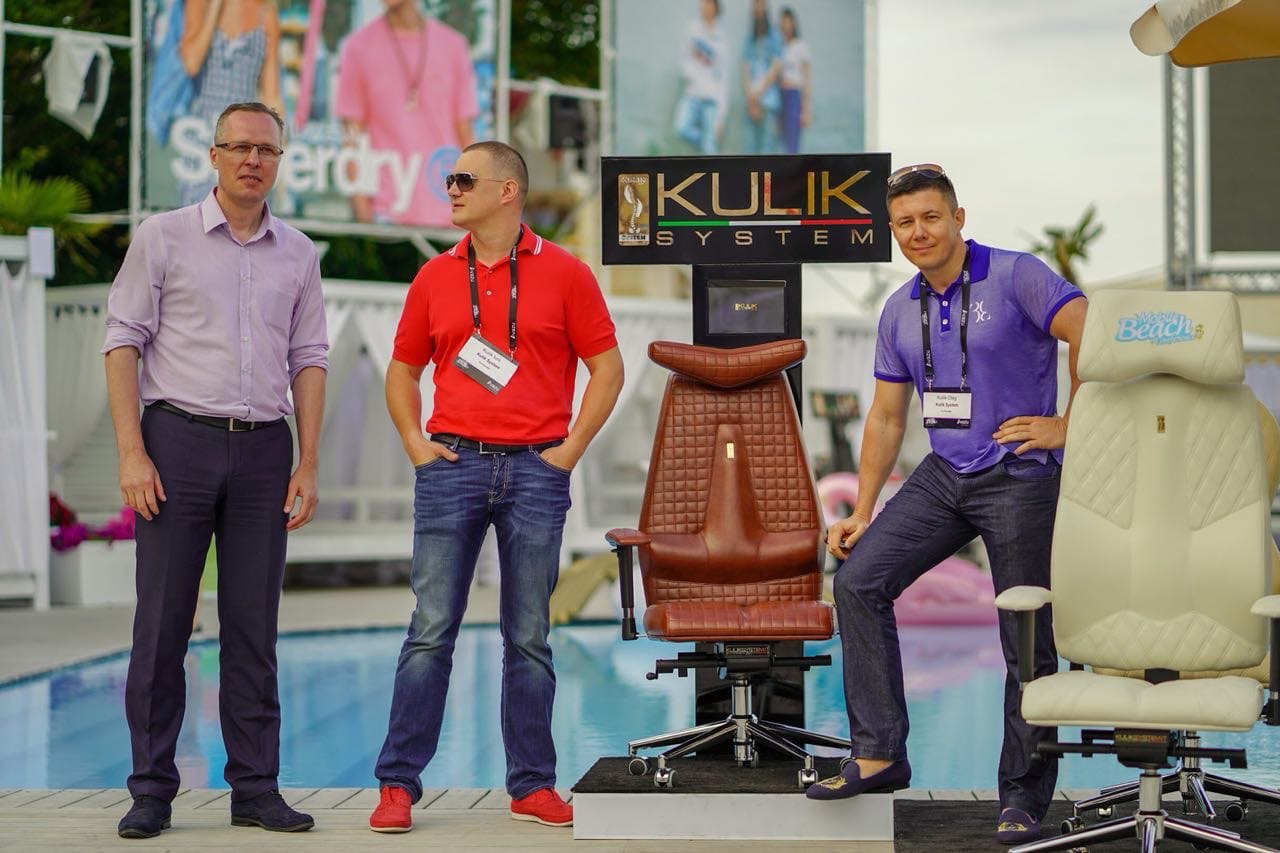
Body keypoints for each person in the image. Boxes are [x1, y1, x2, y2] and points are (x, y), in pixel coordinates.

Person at [805, 165, 1087, 847]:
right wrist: (863, 508)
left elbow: (1091, 330)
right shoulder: (899, 309)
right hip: (945, 472)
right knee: (859, 580)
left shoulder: (1015, 275)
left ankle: (1022, 794)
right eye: (904, 222)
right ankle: (880, 752)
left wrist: (1068, 425)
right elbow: (885, 416)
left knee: (1026, 634)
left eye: (930, 217)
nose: (918, 232)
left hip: (1019, 472)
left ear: (958, 218)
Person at [368, 141, 624, 834]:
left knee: (530, 635)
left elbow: (608, 369)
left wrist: (568, 452)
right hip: (451, 466)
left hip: (538, 470)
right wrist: (415, 444)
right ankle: (397, 784)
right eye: (449, 179)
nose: (450, 189)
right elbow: (402, 371)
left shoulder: (567, 273)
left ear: (507, 191)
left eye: (463, 179)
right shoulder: (433, 276)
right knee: (430, 630)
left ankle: (532, 785)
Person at [104, 101, 328, 840]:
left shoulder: (298, 253)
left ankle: (256, 789)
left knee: (253, 628)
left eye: (265, 150)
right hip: (177, 443)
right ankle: (151, 791)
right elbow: (122, 341)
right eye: (238, 147)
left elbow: (310, 359)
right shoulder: (162, 237)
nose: (251, 160)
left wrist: (308, 462)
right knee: (163, 624)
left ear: (279, 160)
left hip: (265, 450)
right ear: (214, 156)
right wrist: (132, 451)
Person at [336, 0, 478, 227]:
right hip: (386, 215)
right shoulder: (358, 47)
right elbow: (352, 140)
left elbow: (466, 137)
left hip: (448, 213)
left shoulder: (453, 46)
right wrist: (365, 222)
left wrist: (474, 213)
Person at [176, 0, 284, 205]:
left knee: (245, 211)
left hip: (246, 138)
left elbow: (272, 95)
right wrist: (215, 7)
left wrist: (277, 147)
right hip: (202, 136)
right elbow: (191, 63)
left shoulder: (266, 14)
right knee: (196, 212)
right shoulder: (200, 4)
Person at [673, 0, 729, 155]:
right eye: (703, 3)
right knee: (681, 128)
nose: (705, 6)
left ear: (715, 8)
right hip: (692, 95)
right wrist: (692, 77)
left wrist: (721, 117)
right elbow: (682, 59)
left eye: (709, 3)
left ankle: (708, 143)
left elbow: (724, 79)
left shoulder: (721, 38)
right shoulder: (692, 30)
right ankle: (706, 140)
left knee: (709, 149)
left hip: (711, 100)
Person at [741, 0, 783, 155]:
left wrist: (758, 93)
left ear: (766, 10)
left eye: (761, 7)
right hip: (751, 102)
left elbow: (776, 67)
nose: (758, 11)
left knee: (767, 150)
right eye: (755, 8)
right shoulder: (750, 39)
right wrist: (750, 98)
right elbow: (744, 68)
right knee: (749, 149)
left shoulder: (775, 37)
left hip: (769, 102)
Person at [776, 7, 810, 154]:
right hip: (780, 96)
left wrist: (806, 109)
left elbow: (807, 78)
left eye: (788, 22)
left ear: (794, 24)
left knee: (792, 145)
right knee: (780, 141)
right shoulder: (780, 47)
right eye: (783, 23)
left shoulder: (800, 46)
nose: (786, 26)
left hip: (794, 96)